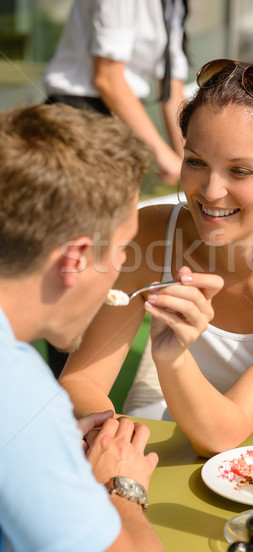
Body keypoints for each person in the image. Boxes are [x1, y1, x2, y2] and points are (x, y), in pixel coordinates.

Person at [59, 59, 253, 458]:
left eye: (240, 171)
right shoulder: (152, 234)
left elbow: (225, 433)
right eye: (196, 162)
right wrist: (111, 435)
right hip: (183, 462)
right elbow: (80, 381)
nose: (210, 190)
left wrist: (172, 358)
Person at [0, 103, 222, 551]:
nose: (125, 265)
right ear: (76, 259)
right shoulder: (17, 390)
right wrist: (121, 487)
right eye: (121, 249)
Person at [43, 0, 253, 185]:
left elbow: (171, 84)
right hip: (79, 115)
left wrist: (189, 157)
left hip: (115, 117)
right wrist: (162, 154)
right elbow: (107, 78)